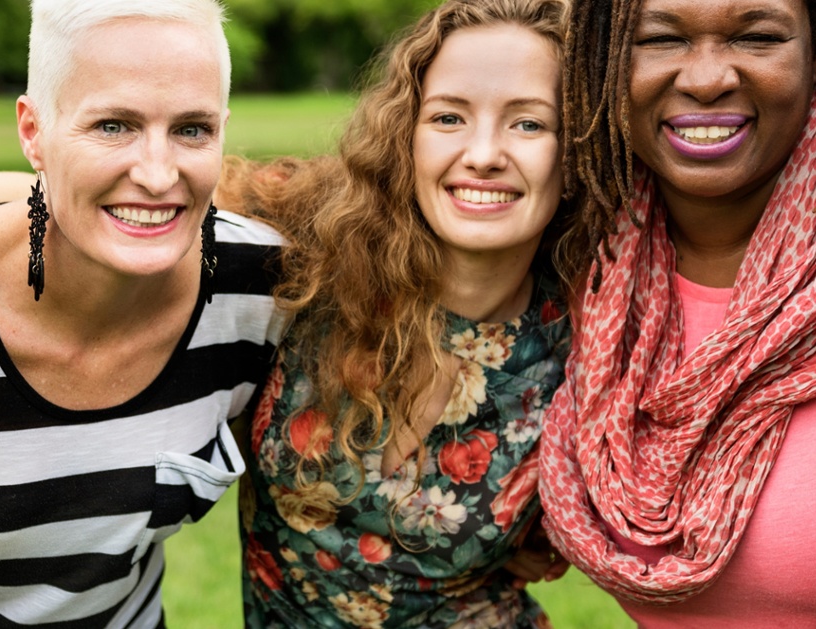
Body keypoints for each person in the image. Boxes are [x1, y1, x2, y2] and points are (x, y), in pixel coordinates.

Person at [0, 0, 285, 626]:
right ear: (33, 131)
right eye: (113, 125)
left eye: (192, 129)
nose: (158, 174)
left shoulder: (262, 287)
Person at [539, 0, 816, 625]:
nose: (707, 79)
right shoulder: (578, 262)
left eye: (757, 36)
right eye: (661, 39)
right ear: (605, 59)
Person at [218, 0, 580, 626]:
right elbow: (112, 200)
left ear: (575, 151)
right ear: (405, 135)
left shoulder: (589, 335)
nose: (484, 154)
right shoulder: (308, 244)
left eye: (528, 124)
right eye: (449, 117)